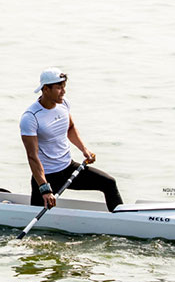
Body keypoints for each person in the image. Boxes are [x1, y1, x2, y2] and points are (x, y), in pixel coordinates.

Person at [20, 68, 123, 211]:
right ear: (45, 89)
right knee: (38, 223)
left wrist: (84, 149)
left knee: (109, 183)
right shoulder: (30, 117)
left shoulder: (64, 104)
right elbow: (32, 156)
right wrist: (44, 188)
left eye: (64, 87)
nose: (63, 91)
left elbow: (70, 128)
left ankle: (120, 219)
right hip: (47, 176)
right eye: (58, 88)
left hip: (69, 168)